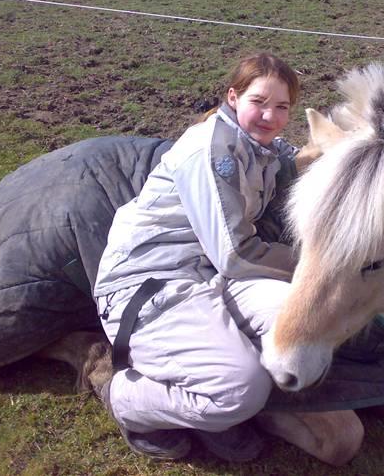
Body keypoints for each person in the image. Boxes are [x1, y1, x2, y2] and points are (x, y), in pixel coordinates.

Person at [93, 52, 301, 462]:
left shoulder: (256, 146)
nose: (269, 116)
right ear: (233, 97)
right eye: (259, 102)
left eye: (282, 107)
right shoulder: (214, 150)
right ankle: (126, 400)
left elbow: (285, 153)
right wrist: (314, 264)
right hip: (149, 283)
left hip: (204, 273)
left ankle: (210, 412)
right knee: (242, 388)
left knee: (297, 320)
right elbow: (238, 255)